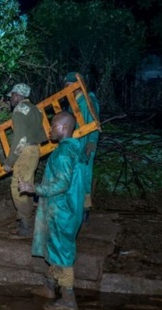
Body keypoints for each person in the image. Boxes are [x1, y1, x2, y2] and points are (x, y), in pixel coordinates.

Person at [18, 111, 86, 310]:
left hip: (61, 209)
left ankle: (68, 298)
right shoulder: (76, 149)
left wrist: (34, 188)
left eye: (54, 125)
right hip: (71, 207)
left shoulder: (63, 153)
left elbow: (61, 184)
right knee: (56, 248)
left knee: (62, 252)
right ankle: (49, 287)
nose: (50, 129)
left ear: (64, 127)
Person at [2, 83, 47, 237]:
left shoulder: (20, 111)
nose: (11, 99)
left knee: (17, 187)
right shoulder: (35, 109)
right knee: (27, 185)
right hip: (35, 150)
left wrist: (10, 161)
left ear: (18, 95)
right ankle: (26, 221)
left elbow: (20, 139)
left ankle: (25, 225)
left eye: (12, 96)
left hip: (25, 152)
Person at [64, 72, 100, 222]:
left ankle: (84, 211)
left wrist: (91, 143)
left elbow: (94, 123)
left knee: (84, 176)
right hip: (74, 145)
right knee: (73, 177)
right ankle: (73, 209)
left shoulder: (88, 101)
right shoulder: (74, 102)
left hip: (84, 145)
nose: (66, 88)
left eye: (68, 85)